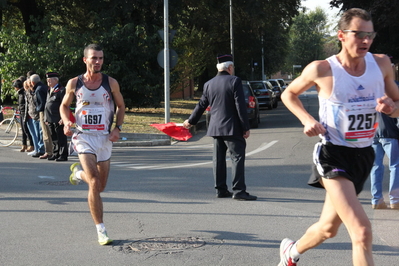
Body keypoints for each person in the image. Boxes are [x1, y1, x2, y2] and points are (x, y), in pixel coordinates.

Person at [278, 8, 399, 266]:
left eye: (370, 35)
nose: (365, 41)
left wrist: (391, 108)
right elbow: (288, 94)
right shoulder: (322, 69)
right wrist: (307, 119)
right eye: (359, 34)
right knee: (362, 231)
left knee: (327, 229)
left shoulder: (382, 65)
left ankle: (291, 252)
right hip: (333, 154)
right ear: (341, 35)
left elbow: (397, 103)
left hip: (364, 155)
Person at [60, 43, 125, 245]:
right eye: (94, 58)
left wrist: (118, 128)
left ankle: (78, 174)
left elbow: (121, 106)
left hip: (104, 138)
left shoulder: (110, 83)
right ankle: (101, 230)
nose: (98, 62)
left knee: (101, 186)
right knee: (95, 181)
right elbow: (64, 105)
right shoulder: (74, 83)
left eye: (101, 58)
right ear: (85, 60)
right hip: (83, 136)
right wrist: (67, 121)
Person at [183, 54, 257, 201]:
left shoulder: (208, 84)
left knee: (218, 159)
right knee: (237, 158)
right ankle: (239, 191)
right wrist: (245, 127)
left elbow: (201, 105)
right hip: (233, 128)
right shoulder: (234, 81)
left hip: (215, 128)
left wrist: (191, 121)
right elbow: (239, 105)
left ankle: (221, 189)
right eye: (233, 67)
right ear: (230, 68)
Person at [370, 110, 399, 210]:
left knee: (376, 166)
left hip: (373, 132)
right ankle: (395, 200)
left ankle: (376, 200)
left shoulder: (371, 94)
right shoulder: (392, 94)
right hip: (390, 132)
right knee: (395, 166)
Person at [44, 72, 69, 161]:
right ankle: (56, 153)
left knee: (61, 137)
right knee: (54, 137)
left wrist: (63, 118)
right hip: (50, 117)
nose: (48, 81)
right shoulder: (49, 89)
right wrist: (45, 118)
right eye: (47, 80)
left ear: (56, 80)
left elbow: (65, 105)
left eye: (50, 80)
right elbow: (47, 104)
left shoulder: (61, 90)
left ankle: (63, 154)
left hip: (58, 117)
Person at [31, 74, 53, 159]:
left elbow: (42, 103)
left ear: (33, 82)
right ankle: (50, 150)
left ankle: (48, 151)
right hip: (48, 111)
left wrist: (37, 108)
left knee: (45, 132)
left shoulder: (38, 89)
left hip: (43, 112)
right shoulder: (44, 87)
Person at [24, 79, 45, 156]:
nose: (29, 86)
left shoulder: (36, 91)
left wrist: (37, 110)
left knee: (39, 133)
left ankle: (40, 149)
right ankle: (37, 149)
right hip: (31, 114)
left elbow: (37, 104)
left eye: (29, 84)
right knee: (35, 134)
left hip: (37, 115)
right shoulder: (29, 93)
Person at [12, 78, 34, 152]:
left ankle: (32, 145)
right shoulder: (20, 93)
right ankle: (24, 144)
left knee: (26, 130)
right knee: (23, 130)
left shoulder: (23, 93)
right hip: (21, 112)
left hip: (25, 113)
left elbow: (25, 104)